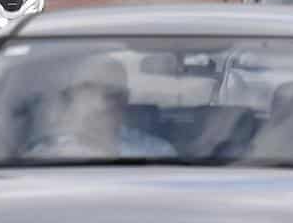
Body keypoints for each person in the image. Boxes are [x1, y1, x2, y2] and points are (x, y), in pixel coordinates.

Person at [19, 53, 176, 160]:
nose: (101, 104)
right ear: (73, 96)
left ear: (125, 99)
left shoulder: (155, 153)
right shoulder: (46, 157)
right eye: (90, 90)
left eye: (112, 94)